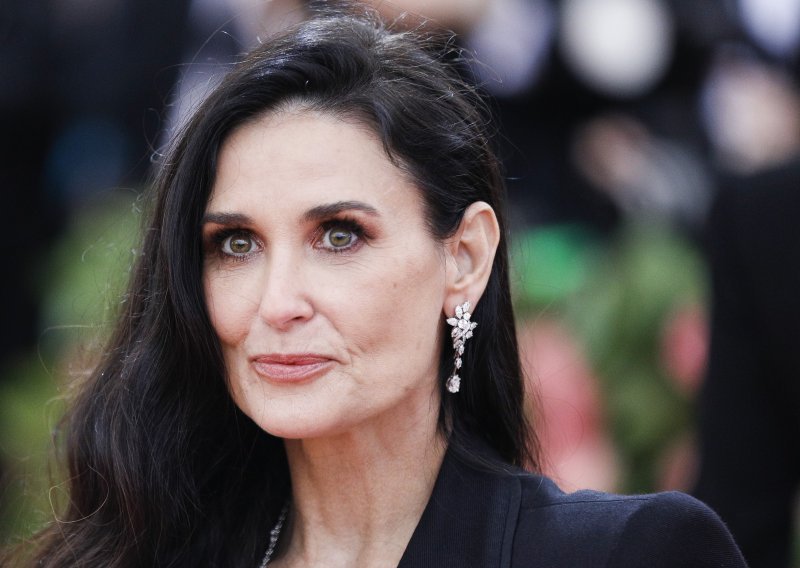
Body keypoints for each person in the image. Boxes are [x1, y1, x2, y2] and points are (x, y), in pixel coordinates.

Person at [12, 9, 747, 567]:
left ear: (465, 259)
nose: (277, 302)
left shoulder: (630, 553)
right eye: (236, 245)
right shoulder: (143, 555)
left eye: (339, 236)